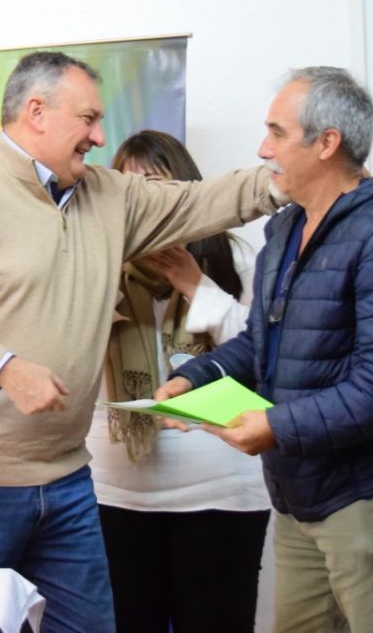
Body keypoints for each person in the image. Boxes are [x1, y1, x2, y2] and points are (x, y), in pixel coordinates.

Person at [0, 51, 279, 633]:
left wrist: (284, 179)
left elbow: (199, 201)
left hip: (65, 479)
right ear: (36, 112)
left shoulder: (111, 196)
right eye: (88, 119)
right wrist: (3, 366)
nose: (99, 137)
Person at [158, 66, 373, 633]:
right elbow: (261, 343)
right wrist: (197, 376)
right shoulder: (286, 231)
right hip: (302, 495)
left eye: (277, 133)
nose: (262, 149)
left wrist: (276, 426)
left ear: (327, 143)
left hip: (370, 497)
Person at [86, 130, 271, 633]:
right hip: (117, 492)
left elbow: (264, 354)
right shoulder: (97, 263)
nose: (144, 199)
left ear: (185, 190)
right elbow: (69, 360)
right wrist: (103, 290)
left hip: (221, 490)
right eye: (129, 187)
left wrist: (194, 285)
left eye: (155, 183)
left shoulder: (235, 258)